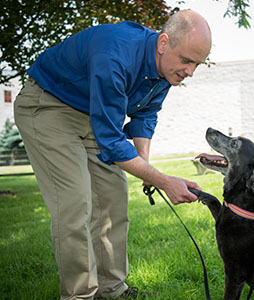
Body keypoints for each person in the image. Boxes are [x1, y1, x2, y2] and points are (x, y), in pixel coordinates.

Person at [14, 9, 211, 300]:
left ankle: (113, 290)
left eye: (196, 64)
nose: (189, 72)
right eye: (186, 60)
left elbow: (145, 113)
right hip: (47, 106)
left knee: (113, 197)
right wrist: (163, 181)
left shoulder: (165, 71)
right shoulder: (116, 54)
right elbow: (111, 139)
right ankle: (79, 295)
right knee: (75, 202)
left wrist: (145, 166)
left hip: (91, 114)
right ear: (163, 43)